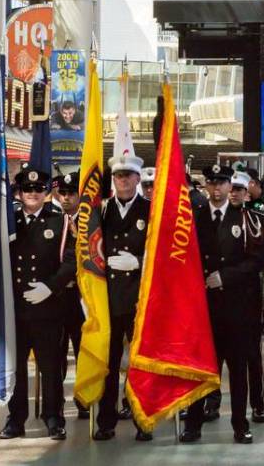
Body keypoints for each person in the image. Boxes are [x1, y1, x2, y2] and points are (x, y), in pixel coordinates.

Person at [182, 168, 264, 445]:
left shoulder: (247, 220)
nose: (218, 189)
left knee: (238, 369)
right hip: (204, 308)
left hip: (237, 306)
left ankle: (239, 423)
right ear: (207, 187)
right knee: (201, 367)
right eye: (212, 183)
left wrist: (226, 276)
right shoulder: (193, 220)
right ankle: (193, 424)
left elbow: (259, 258)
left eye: (222, 183)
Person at [0, 166, 76, 441]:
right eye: (27, 189)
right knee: (16, 367)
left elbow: (71, 261)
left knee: (51, 367)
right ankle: (15, 419)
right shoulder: (9, 221)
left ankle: (54, 418)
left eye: (38, 189)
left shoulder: (60, 221)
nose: (33, 194)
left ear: (46, 192)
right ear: (19, 193)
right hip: (16, 309)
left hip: (48, 308)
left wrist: (50, 287)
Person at [94, 153, 152, 443]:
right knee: (109, 363)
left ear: (137, 179)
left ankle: (143, 420)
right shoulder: (101, 212)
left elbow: (164, 254)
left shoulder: (150, 210)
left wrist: (138, 262)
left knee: (140, 363)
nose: (124, 181)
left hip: (140, 300)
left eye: (128, 176)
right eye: (118, 176)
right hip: (109, 299)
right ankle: (106, 421)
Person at [51, 172, 88, 419]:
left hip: (83, 298)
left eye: (71, 193)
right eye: (62, 193)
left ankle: (85, 399)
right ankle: (55, 403)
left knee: (84, 350)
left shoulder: (90, 222)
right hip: (57, 297)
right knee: (56, 353)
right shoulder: (52, 222)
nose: (65, 197)